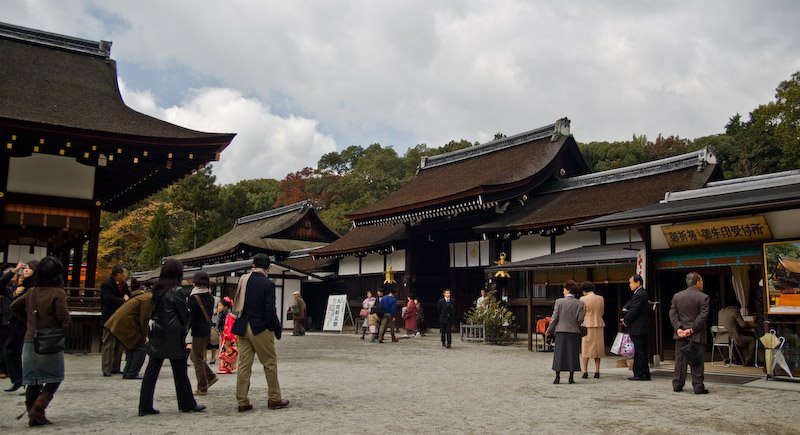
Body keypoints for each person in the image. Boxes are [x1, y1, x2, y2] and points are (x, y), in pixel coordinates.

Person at [138, 258, 205, 416]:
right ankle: (187, 403)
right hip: (174, 334)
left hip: (158, 333)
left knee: (152, 370)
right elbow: (184, 314)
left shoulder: (157, 290)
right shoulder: (178, 291)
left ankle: (144, 405)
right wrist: (184, 329)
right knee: (180, 371)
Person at [10, 256, 71, 426]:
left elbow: (14, 306)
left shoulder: (32, 291)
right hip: (50, 340)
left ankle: (32, 414)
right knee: (55, 377)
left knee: (33, 379)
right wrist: (65, 325)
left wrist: (30, 321)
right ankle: (38, 409)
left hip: (30, 339)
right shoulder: (58, 292)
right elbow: (63, 316)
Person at [231, 254, 288, 412]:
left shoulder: (243, 280)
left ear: (253, 265)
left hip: (242, 326)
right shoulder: (267, 284)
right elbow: (270, 309)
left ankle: (242, 401)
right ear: (268, 268)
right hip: (259, 327)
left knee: (244, 365)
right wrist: (273, 327)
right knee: (269, 363)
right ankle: (274, 398)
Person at [669, 271, 710, 394]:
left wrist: (679, 329)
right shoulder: (703, 297)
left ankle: (677, 384)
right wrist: (692, 329)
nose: (702, 283)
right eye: (701, 280)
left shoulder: (677, 296)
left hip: (680, 335)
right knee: (696, 360)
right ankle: (698, 387)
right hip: (696, 334)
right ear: (697, 282)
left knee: (680, 360)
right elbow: (703, 316)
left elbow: (672, 314)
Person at [104, 281, 153, 380]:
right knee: (141, 348)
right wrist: (145, 335)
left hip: (119, 322)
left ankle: (128, 372)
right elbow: (144, 318)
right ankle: (132, 372)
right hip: (125, 323)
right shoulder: (148, 299)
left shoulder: (142, 297)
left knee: (132, 347)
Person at [4, 260, 37, 392]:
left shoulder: (33, 287)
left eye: (30, 268)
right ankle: (19, 380)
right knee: (11, 351)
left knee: (24, 353)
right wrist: (15, 294)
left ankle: (28, 383)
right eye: (26, 268)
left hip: (26, 323)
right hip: (17, 323)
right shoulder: (23, 285)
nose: (26, 270)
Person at [546, 280, 585, 384]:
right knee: (572, 354)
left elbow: (554, 318)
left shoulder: (559, 302)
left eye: (564, 289)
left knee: (559, 354)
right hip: (574, 332)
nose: (563, 291)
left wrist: (549, 330)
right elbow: (580, 319)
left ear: (568, 290)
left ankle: (557, 377)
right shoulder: (580, 303)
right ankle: (571, 377)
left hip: (561, 331)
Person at [188, 272, 218, 396]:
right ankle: (210, 377)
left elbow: (191, 317)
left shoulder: (193, 297)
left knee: (197, 359)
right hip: (206, 329)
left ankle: (202, 387)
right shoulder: (210, 297)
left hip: (197, 331)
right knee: (194, 356)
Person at [100, 265, 130, 377]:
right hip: (109, 317)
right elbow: (108, 300)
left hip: (120, 317)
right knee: (108, 343)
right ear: (118, 274)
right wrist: (123, 300)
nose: (126, 275)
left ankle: (115, 367)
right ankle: (106, 368)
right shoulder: (106, 285)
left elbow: (129, 297)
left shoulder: (124, 285)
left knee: (119, 344)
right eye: (124, 273)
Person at [621, 274, 651, 381]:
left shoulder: (640, 294)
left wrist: (625, 320)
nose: (630, 285)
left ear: (638, 282)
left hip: (638, 327)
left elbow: (634, 310)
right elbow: (630, 306)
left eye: (631, 282)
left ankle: (640, 374)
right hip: (641, 327)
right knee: (641, 351)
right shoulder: (640, 293)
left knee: (639, 352)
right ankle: (644, 373)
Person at [1, 262, 24, 388]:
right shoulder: (5, 288)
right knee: (6, 349)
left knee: (11, 350)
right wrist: (15, 270)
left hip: (15, 323)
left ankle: (15, 376)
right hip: (6, 322)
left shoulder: (17, 288)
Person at [579, 281, 605, 379]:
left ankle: (585, 371)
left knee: (586, 349)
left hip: (587, 325)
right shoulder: (600, 298)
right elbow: (602, 311)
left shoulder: (583, 299)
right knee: (597, 349)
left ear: (584, 290)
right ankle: (597, 371)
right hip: (599, 324)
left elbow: (581, 313)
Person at [217, 296, 238, 374]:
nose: (218, 308)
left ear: (225, 307)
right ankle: (224, 367)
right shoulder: (223, 315)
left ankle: (226, 367)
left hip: (228, 336)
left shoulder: (229, 316)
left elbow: (229, 328)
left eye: (220, 306)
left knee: (227, 351)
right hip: (225, 336)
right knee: (225, 351)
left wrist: (227, 338)